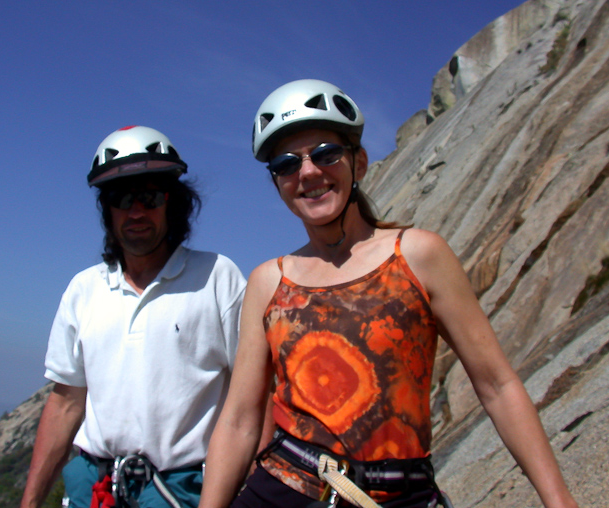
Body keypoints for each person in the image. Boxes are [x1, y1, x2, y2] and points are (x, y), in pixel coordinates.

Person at [198, 80, 578, 508]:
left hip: (400, 495)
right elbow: (240, 421)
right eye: (287, 165)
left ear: (358, 162)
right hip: (284, 489)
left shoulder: (419, 255)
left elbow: (497, 385)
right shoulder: (269, 281)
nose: (308, 172)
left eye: (326, 154)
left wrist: (558, 499)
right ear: (277, 183)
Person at [20, 126, 247, 508]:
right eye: (122, 198)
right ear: (107, 210)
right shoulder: (84, 289)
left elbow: (254, 399)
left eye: (150, 196)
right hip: (92, 489)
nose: (136, 211)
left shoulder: (217, 277)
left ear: (171, 203)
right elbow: (64, 403)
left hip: (180, 492)